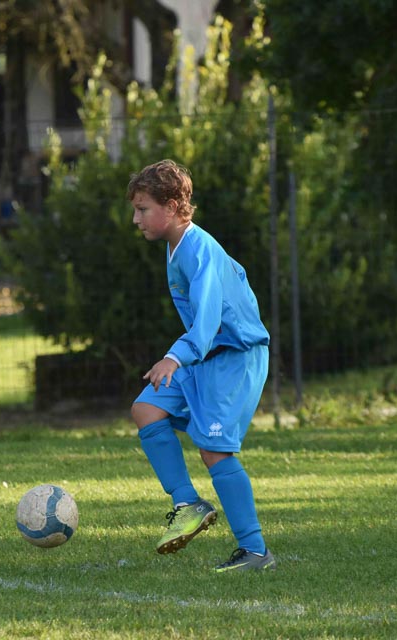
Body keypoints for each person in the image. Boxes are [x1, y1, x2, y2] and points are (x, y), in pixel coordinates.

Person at [127, 159, 275, 572]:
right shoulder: (176, 247)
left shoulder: (200, 249)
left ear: (172, 207)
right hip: (204, 356)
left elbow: (208, 320)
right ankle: (188, 503)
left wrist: (174, 357)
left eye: (142, 209)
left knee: (214, 450)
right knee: (146, 409)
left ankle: (255, 551)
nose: (136, 219)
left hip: (234, 358)